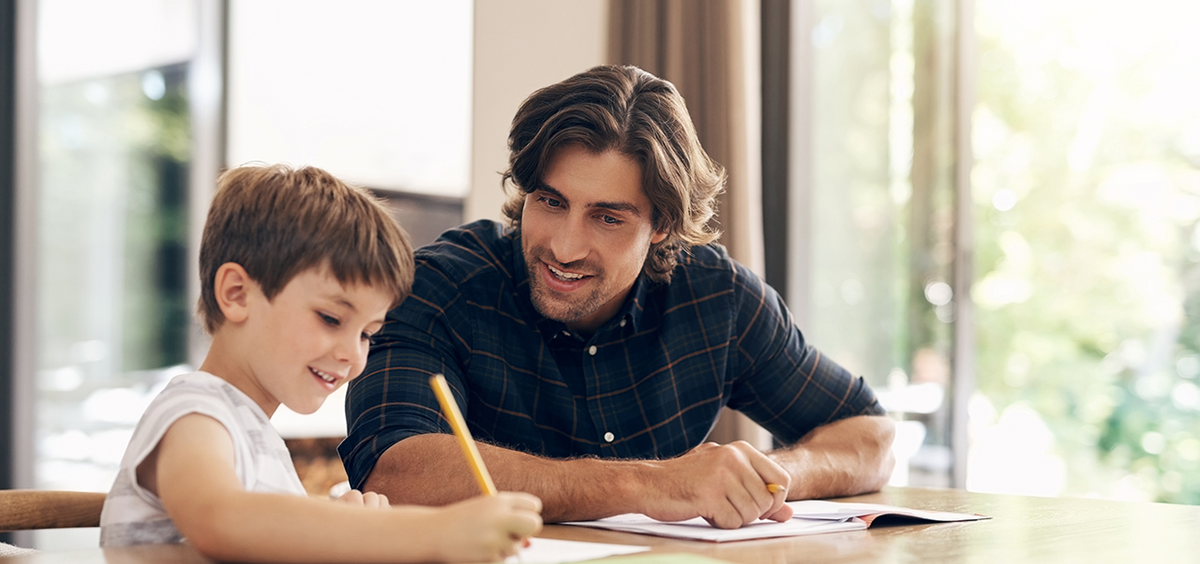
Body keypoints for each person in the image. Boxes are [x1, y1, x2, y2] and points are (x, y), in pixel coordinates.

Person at [341, 65, 894, 530]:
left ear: (661, 227)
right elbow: (395, 470)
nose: (564, 246)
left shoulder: (717, 297)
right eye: (551, 202)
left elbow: (871, 437)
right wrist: (647, 484)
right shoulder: (438, 287)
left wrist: (767, 477)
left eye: (607, 218)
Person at [100, 164, 542, 564]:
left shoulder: (251, 434)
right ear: (236, 293)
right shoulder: (195, 413)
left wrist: (342, 524)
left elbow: (264, 538)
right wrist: (433, 533)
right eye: (331, 318)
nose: (354, 354)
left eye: (368, 333)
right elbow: (222, 520)